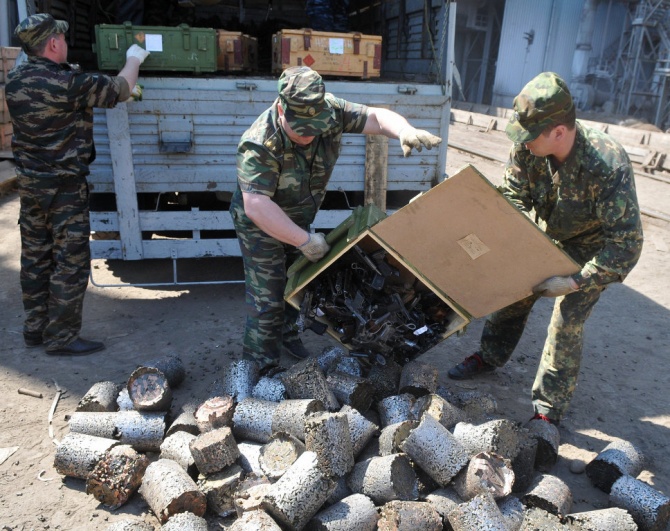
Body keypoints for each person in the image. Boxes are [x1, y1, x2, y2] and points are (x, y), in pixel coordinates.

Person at [447, 72, 644, 425]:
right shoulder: (528, 145)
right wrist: (511, 244)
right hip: (543, 235)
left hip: (589, 250)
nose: (522, 143)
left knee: (566, 322)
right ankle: (490, 356)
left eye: (529, 136)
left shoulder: (607, 165)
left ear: (558, 132)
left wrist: (575, 282)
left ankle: (548, 411)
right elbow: (512, 196)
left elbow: (626, 245)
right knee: (513, 295)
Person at [231, 65, 442, 370]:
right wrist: (304, 240)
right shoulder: (259, 143)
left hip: (297, 216)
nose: (307, 135)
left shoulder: (329, 111)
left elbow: (376, 117)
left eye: (313, 127)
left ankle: (287, 335)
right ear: (280, 109)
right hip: (261, 225)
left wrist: (404, 130)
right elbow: (256, 205)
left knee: (294, 283)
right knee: (268, 297)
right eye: (299, 127)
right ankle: (257, 370)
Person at [6, 14, 150, 355]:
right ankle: (62, 337)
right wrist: (134, 59)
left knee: (35, 257)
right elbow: (122, 89)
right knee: (70, 262)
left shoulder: (15, 80)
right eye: (62, 38)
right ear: (53, 43)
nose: (66, 43)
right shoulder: (67, 83)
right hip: (63, 188)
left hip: (30, 185)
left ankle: (35, 328)